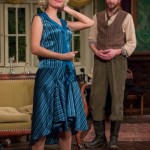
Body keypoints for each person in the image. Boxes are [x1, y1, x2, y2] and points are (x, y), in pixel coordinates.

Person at [30, 0, 94, 150]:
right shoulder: (39, 19)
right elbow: (35, 48)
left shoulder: (64, 23)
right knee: (43, 121)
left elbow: (89, 22)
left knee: (66, 125)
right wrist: (62, 56)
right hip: (48, 75)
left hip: (66, 75)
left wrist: (67, 8)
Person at [86, 0, 136, 149]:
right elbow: (92, 39)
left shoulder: (126, 17)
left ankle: (114, 139)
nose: (111, 1)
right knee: (96, 99)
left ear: (119, 0)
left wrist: (117, 51)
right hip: (99, 61)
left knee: (116, 99)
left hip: (118, 61)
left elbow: (131, 43)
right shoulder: (97, 16)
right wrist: (96, 51)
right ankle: (100, 137)